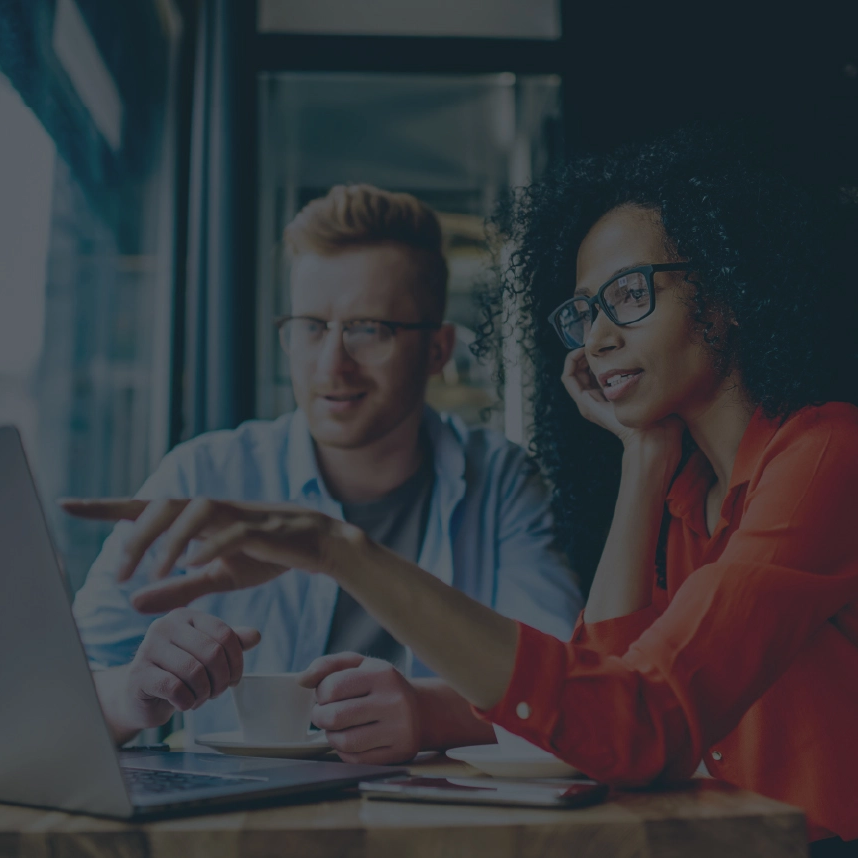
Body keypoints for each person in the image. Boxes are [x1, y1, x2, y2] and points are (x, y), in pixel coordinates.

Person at [65, 128, 858, 852]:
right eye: (582, 310)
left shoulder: (827, 457)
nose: (596, 337)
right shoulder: (686, 495)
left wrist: (341, 553)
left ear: (728, 295)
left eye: (629, 296)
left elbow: (634, 724)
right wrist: (639, 462)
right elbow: (603, 703)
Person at [70, 184, 582, 765]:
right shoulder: (203, 474)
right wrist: (134, 695)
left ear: (438, 350)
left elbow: (568, 689)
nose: (330, 364)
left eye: (368, 329)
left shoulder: (501, 481)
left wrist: (429, 714)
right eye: (311, 327)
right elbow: (57, 689)